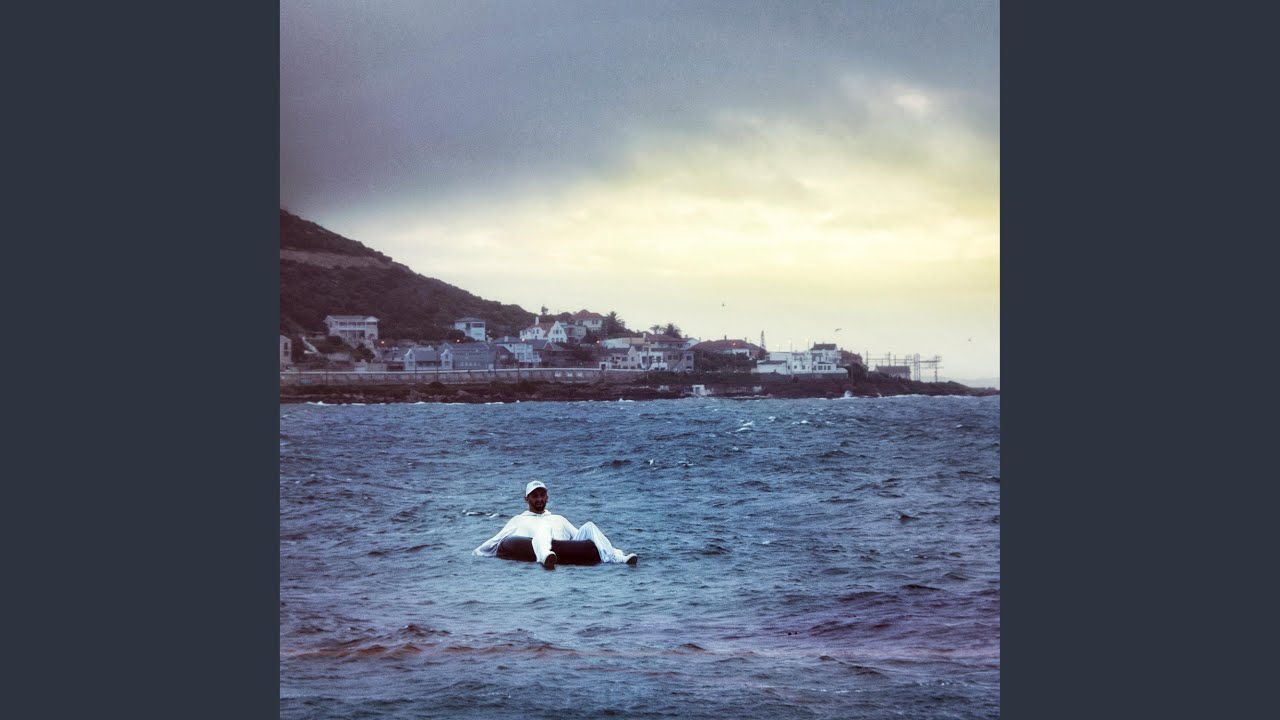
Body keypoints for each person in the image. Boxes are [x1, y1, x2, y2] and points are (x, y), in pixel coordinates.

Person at [474, 480, 638, 569]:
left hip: (565, 549)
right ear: (527, 499)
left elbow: (580, 537)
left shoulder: (558, 519)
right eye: (534, 496)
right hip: (534, 548)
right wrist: (477, 553)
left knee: (589, 526)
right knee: (543, 527)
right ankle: (545, 556)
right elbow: (497, 540)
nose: (539, 499)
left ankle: (618, 557)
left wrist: (590, 546)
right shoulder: (518, 520)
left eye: (542, 495)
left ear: (547, 497)